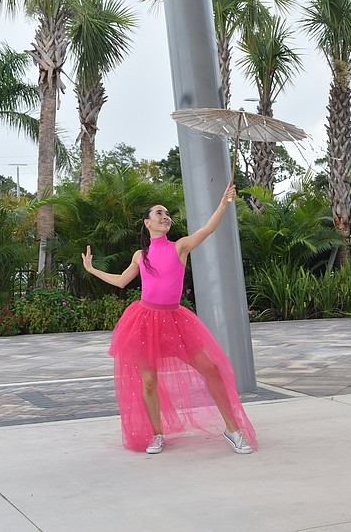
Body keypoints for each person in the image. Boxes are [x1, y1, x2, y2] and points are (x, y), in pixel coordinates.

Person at [81, 183, 256, 456]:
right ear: (147, 222)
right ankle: (156, 434)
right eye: (159, 213)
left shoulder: (180, 247)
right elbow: (121, 281)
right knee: (148, 381)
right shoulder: (141, 255)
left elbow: (207, 230)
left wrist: (223, 202)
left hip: (175, 320)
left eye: (167, 214)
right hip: (144, 321)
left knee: (211, 369)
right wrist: (92, 270)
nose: (165, 217)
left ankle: (233, 430)